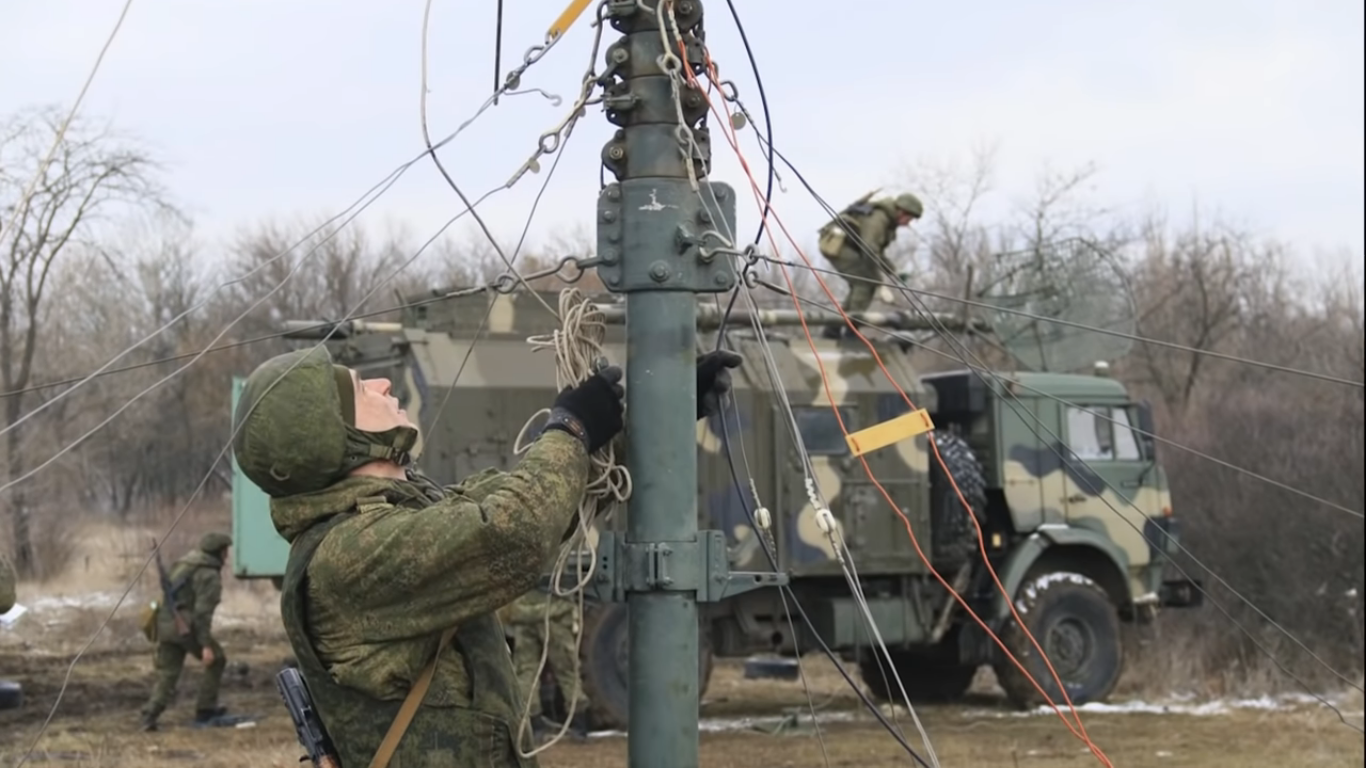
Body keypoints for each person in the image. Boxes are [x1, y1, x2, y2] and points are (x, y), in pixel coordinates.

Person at [231, 345, 742, 767]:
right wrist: (569, 428)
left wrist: (660, 418)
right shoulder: (348, 553)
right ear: (333, 436)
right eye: (363, 390)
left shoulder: (393, 519)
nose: (384, 386)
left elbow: (544, 497)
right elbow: (514, 531)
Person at [138, 531, 233, 731]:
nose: (227, 556)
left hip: (165, 624)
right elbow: (202, 614)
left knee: (168, 674)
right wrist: (206, 645)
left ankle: (150, 714)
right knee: (217, 659)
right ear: (218, 552)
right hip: (186, 628)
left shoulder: (185, 564)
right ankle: (205, 709)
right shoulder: (209, 575)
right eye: (225, 551)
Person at [816, 191, 923, 337]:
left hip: (851, 247)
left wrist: (893, 271)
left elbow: (876, 252)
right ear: (901, 212)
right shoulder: (878, 219)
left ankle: (835, 328)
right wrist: (880, 283)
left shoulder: (887, 220)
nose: (908, 223)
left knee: (863, 284)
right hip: (838, 245)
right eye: (909, 219)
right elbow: (869, 249)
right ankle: (850, 331)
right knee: (865, 283)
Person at [504, 588, 591, 741]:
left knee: (526, 671)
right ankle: (578, 724)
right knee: (567, 670)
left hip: (524, 612)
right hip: (554, 611)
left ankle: (535, 724)